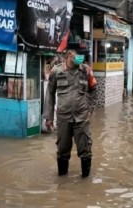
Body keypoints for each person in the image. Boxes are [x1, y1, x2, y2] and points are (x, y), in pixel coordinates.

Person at [43, 49, 97, 177]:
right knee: (62, 150)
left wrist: (90, 109)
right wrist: (49, 117)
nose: (79, 58)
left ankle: (85, 183)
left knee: (85, 149)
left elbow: (94, 89)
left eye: (80, 56)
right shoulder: (56, 71)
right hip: (63, 117)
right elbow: (49, 94)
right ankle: (62, 183)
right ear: (68, 56)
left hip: (82, 117)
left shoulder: (86, 70)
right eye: (76, 55)